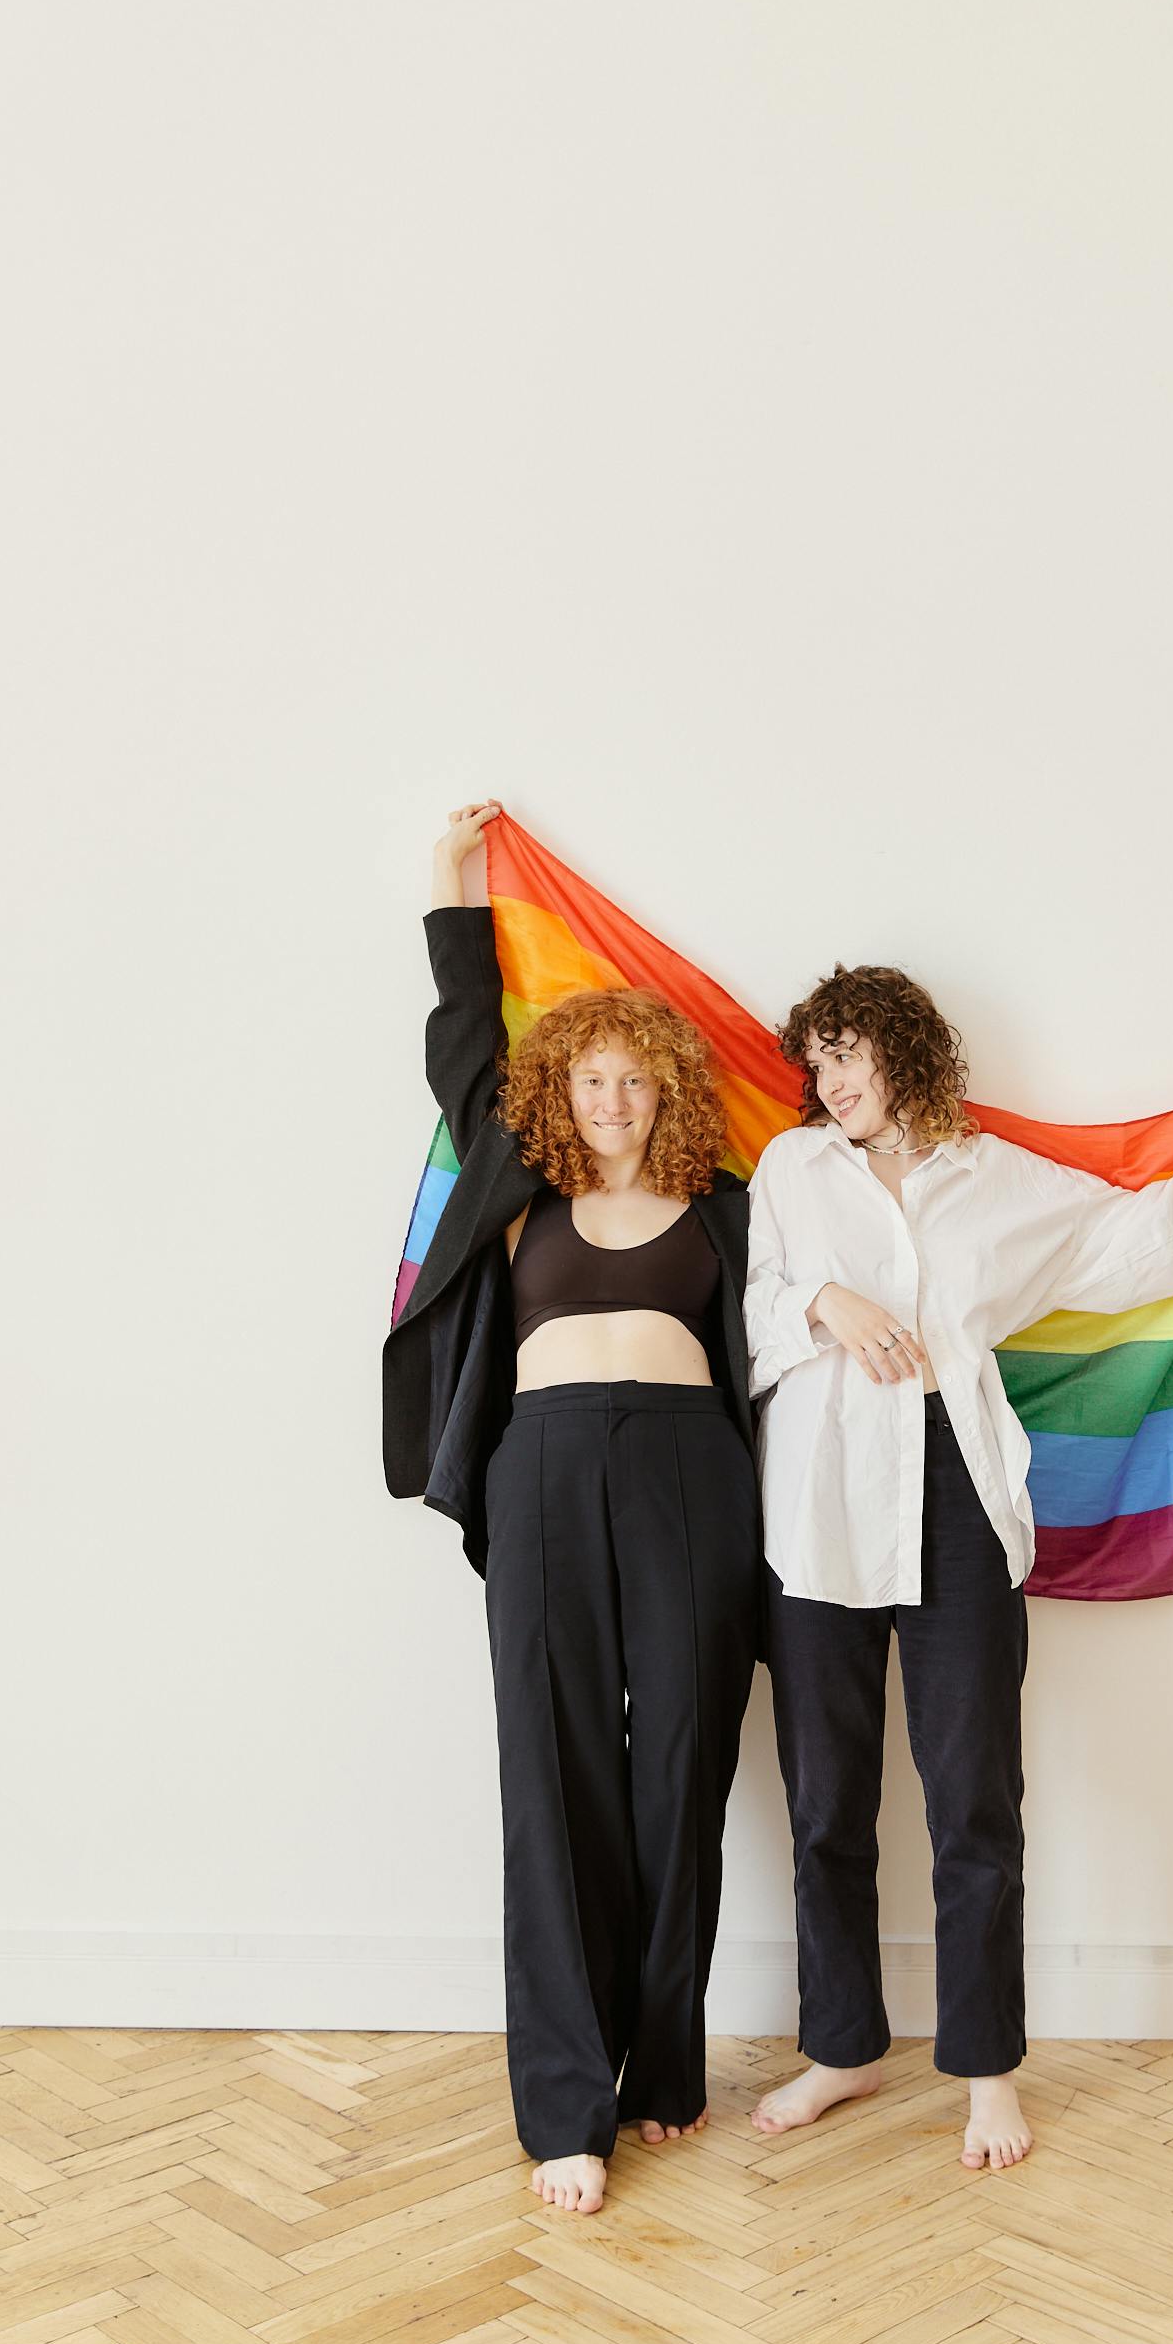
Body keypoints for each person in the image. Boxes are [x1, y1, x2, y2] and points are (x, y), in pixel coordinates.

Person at [743, 963, 1173, 2171]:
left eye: (849, 1054)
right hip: (818, 1506)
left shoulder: (995, 1181)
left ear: (905, 1051)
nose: (831, 1081)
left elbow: (1142, 1240)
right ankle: (842, 2046)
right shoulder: (792, 1169)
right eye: (819, 1061)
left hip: (954, 1488)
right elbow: (748, 1306)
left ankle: (985, 2070)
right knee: (827, 1800)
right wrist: (821, 1305)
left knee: (972, 1800)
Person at [382, 802, 762, 2217]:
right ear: (560, 1089)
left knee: (678, 1771)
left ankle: (660, 2063)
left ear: (666, 1088)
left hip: (690, 1482)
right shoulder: (514, 1187)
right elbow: (463, 1034)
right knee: (551, 1781)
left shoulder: (727, 1209)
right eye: (589, 1080)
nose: (610, 1102)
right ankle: (562, 2109)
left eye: (633, 1081)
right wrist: (449, 882)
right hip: (538, 1474)